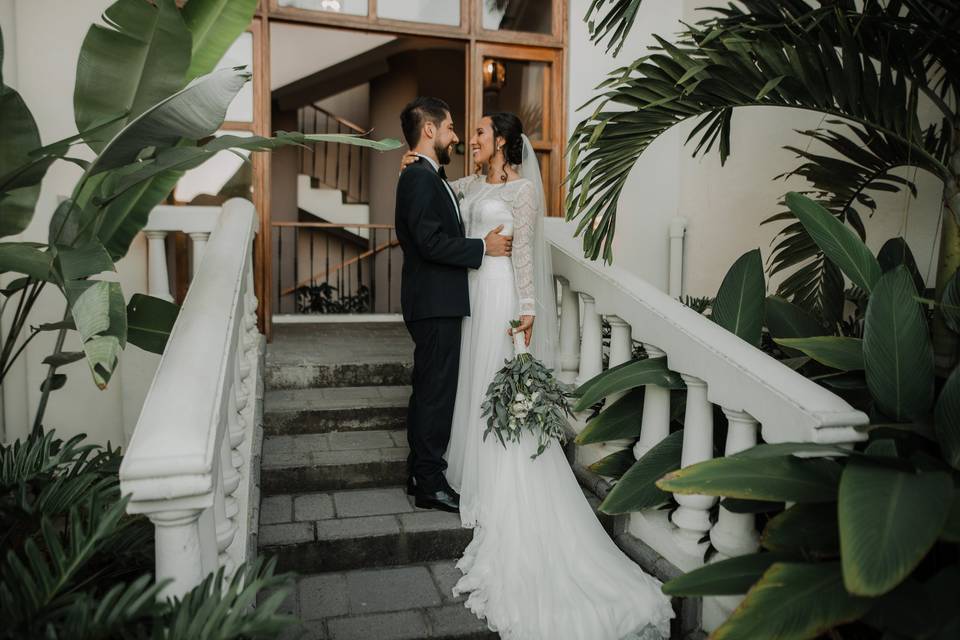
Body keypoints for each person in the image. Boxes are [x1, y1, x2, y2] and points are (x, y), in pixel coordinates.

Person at [398, 109, 675, 640]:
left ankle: (498, 479)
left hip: (499, 291)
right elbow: (438, 184)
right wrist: (413, 158)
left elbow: (523, 251)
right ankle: (456, 469)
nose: (471, 139)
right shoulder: (469, 184)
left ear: (500, 140)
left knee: (492, 380)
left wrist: (528, 307)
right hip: (470, 296)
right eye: (466, 131)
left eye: (478, 133)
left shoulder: (523, 192)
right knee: (464, 385)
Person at [394, 97, 513, 513]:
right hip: (434, 300)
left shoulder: (428, 175)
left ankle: (417, 471)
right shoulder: (420, 179)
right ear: (430, 130)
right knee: (436, 393)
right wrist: (483, 246)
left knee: (429, 388)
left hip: (434, 299)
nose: (457, 137)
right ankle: (430, 482)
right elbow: (428, 243)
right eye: (450, 128)